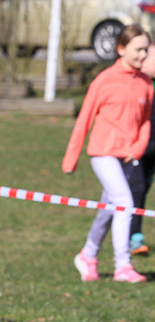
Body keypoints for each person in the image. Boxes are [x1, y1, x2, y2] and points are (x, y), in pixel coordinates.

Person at [63, 24, 152, 284]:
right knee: (124, 201)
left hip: (128, 156)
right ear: (121, 49)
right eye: (138, 50)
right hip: (103, 152)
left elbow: (146, 122)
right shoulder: (104, 80)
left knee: (110, 209)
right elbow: (85, 119)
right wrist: (71, 158)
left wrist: (138, 147)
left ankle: (88, 255)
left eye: (146, 50)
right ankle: (122, 265)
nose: (142, 56)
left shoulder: (146, 83)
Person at [127, 45, 155, 257]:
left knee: (143, 188)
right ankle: (133, 236)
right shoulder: (137, 85)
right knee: (136, 190)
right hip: (138, 150)